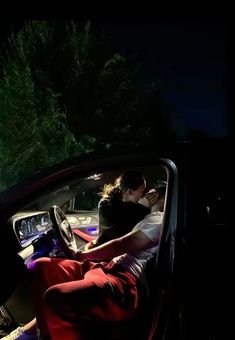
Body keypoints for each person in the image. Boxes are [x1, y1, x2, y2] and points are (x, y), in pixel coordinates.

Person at [3, 185, 166, 340]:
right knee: (40, 266)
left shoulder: (160, 220)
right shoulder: (149, 217)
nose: (145, 196)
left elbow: (122, 244)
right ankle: (38, 333)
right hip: (109, 268)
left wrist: (82, 255)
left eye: (147, 192)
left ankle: (40, 334)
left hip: (125, 281)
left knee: (56, 296)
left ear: (158, 197)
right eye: (144, 191)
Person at [85, 170, 156, 250]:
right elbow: (116, 226)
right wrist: (140, 206)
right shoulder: (106, 203)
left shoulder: (139, 209)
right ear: (130, 191)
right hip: (105, 251)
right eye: (141, 192)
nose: (142, 195)